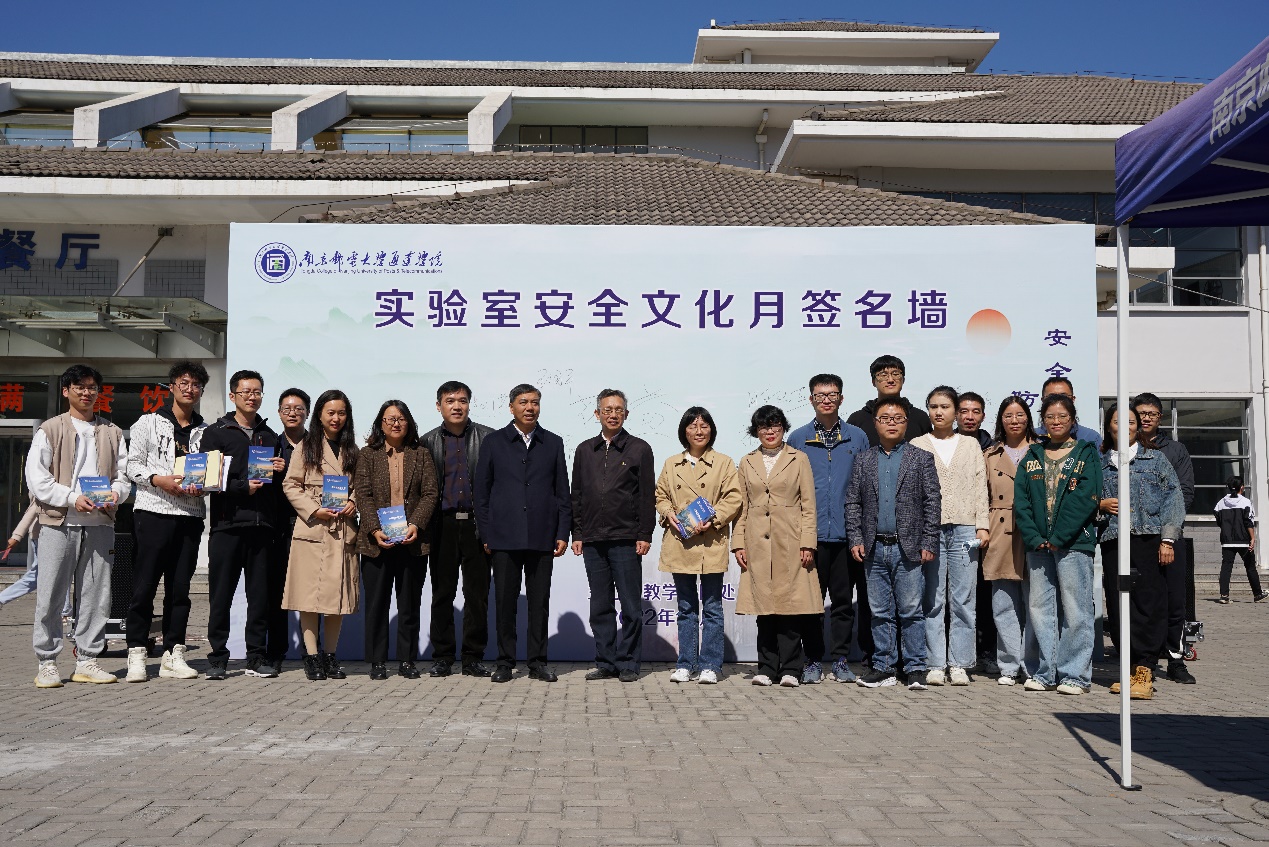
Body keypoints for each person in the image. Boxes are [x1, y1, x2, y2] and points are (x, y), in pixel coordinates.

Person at [25, 363, 130, 688]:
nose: (87, 393)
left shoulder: (112, 431)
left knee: (97, 594)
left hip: (100, 523)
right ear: (66, 391)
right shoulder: (50, 429)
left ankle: (87, 660)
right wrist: (71, 498)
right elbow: (37, 479)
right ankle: (47, 662)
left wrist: (116, 493)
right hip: (59, 522)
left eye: (92, 387)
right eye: (80, 387)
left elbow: (123, 475)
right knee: (51, 594)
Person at [474, 384, 571, 684]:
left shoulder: (553, 442)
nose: (530, 408)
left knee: (539, 603)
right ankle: (504, 662)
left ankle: (538, 662)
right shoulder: (493, 442)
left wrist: (562, 531)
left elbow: (562, 492)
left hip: (542, 535)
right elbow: (482, 493)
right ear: (511, 407)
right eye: (523, 402)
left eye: (535, 402)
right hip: (504, 536)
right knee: (505, 602)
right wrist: (486, 533)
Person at [122, 360, 211, 683]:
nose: (190, 389)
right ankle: (137, 652)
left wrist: (206, 485)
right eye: (184, 383)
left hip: (190, 516)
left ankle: (174, 653)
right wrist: (159, 480)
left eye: (196, 385)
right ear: (171, 387)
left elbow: (212, 473)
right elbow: (132, 466)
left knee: (179, 590)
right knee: (144, 587)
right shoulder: (147, 422)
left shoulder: (206, 431)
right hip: (153, 513)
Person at [846, 399, 941, 691]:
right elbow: (853, 502)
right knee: (879, 612)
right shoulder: (863, 460)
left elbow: (932, 502)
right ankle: (884, 666)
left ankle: (915, 668)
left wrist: (929, 541)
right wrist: (856, 538)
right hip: (874, 547)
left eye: (898, 418)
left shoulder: (921, 458)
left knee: (911, 610)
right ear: (875, 423)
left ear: (906, 423)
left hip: (908, 548)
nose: (891, 423)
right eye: (885, 418)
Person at [200, 370, 287, 681]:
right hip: (227, 526)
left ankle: (256, 656)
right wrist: (241, 487)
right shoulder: (215, 434)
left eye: (257, 392)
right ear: (233, 395)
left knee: (259, 598)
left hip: (262, 528)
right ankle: (217, 659)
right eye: (246, 391)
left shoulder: (271, 436)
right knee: (220, 596)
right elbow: (206, 480)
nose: (252, 396)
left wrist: (280, 469)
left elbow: (277, 488)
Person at [1014, 393, 1102, 695]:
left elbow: (1086, 498)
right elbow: (1021, 501)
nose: (1056, 421)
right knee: (1040, 609)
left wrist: (1059, 537)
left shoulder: (1086, 453)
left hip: (1074, 543)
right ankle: (1045, 673)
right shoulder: (1032, 455)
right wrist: (1035, 537)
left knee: (1076, 610)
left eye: (1062, 416)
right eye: (1050, 416)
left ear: (1073, 420)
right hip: (1038, 546)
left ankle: (1075, 675)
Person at [1098, 403, 1185, 701]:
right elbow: (1088, 498)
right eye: (1118, 421)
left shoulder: (1156, 459)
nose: (1125, 426)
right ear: (1109, 426)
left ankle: (1145, 668)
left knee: (1148, 603)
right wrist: (1100, 505)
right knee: (1118, 604)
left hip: (1148, 540)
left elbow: (1173, 499)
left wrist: (1168, 540)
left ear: (1138, 427)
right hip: (1113, 541)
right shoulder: (1101, 463)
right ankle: (1129, 667)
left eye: (1131, 421)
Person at [788, 373, 870, 683]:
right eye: (820, 395)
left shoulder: (857, 437)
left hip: (848, 535)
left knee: (843, 603)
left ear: (841, 399)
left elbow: (865, 487)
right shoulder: (798, 438)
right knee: (810, 603)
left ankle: (840, 659)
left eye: (832, 394)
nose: (826, 400)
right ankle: (811, 660)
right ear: (811, 399)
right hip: (810, 536)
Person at [572, 389, 655, 683]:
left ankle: (629, 662)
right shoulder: (584, 450)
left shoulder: (639, 449)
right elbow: (577, 494)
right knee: (600, 606)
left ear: (626, 414)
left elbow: (646, 495)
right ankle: (606, 662)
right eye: (607, 410)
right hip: (593, 539)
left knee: (631, 606)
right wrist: (577, 532)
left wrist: (645, 533)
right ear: (597, 414)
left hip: (626, 538)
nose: (613, 414)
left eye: (618, 409)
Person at [733, 405, 819, 688]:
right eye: (763, 427)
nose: (770, 431)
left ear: (783, 428)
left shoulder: (799, 458)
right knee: (765, 608)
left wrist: (808, 542)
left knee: (790, 608)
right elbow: (742, 507)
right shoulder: (747, 462)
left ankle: (792, 669)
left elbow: (809, 505)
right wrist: (738, 543)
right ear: (756, 431)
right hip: (757, 543)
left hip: (790, 541)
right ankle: (767, 668)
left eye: (775, 426)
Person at [655, 407, 742, 685]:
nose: (699, 431)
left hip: (710, 541)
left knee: (713, 608)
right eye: (692, 426)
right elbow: (660, 495)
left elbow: (733, 497)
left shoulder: (724, 463)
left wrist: (713, 519)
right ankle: (686, 663)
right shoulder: (672, 463)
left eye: (704, 425)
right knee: (686, 607)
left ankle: (711, 665)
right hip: (680, 541)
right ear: (684, 431)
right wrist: (667, 512)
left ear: (711, 430)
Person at [910, 386, 990, 687]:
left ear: (956, 412)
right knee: (932, 599)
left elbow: (981, 487)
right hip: (930, 529)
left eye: (945, 406)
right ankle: (934, 663)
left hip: (965, 528)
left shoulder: (970, 445)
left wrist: (982, 524)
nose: (939, 412)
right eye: (934, 406)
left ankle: (959, 663)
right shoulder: (917, 444)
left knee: (964, 598)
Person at [353, 400, 438, 680]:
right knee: (377, 606)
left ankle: (407, 660)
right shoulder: (368, 454)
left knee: (409, 605)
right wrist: (374, 529)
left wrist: (416, 524)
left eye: (401, 418)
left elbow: (430, 493)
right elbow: (363, 494)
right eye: (390, 419)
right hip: (377, 542)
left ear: (409, 422)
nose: (396, 423)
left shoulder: (421, 454)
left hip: (413, 541)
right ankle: (377, 662)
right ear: (381, 424)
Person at [283, 389, 360, 681]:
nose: (336, 418)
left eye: (341, 413)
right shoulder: (306, 446)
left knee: (336, 598)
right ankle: (312, 657)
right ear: (319, 415)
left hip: (342, 530)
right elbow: (291, 484)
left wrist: (354, 502)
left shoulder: (353, 449)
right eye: (331, 412)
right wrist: (315, 510)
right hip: (314, 529)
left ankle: (331, 655)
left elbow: (361, 487)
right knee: (309, 597)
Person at [421, 381, 494, 678]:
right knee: (442, 593)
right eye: (450, 400)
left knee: (477, 594)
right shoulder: (427, 442)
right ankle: (442, 656)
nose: (456, 406)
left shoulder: (488, 438)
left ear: (469, 404)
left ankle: (473, 657)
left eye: (462, 400)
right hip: (442, 525)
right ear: (438, 405)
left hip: (477, 524)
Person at [1132, 392, 1197, 684]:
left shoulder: (1175, 450)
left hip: (1169, 537)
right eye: (1141, 413)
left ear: (1160, 418)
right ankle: (1141, 660)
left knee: (1174, 600)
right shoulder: (1125, 450)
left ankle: (1175, 660)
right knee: (1142, 600)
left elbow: (1184, 493)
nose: (1146, 418)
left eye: (1152, 414)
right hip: (1138, 540)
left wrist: (1166, 530)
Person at [982, 396, 1039, 685]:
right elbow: (981, 496)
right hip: (1000, 528)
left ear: (1028, 417)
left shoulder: (1042, 450)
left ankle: (1032, 665)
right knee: (1003, 602)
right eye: (1008, 415)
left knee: (1035, 602)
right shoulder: (990, 454)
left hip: (1034, 529)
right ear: (1000, 420)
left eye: (1019, 415)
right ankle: (1008, 664)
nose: (1014, 420)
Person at [269, 387, 310, 672]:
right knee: (276, 591)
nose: (292, 413)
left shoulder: (318, 445)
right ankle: (275, 652)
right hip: (277, 527)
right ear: (279, 412)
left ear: (307, 413)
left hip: (310, 526)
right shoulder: (270, 444)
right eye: (287, 409)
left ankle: (312, 652)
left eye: (298, 409)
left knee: (309, 591)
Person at [956, 390, 997, 673]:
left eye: (976, 412)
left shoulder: (993, 448)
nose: (969, 417)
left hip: (987, 528)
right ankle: (956, 652)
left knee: (985, 591)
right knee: (956, 593)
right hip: (955, 527)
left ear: (983, 415)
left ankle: (986, 651)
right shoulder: (946, 444)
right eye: (964, 411)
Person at [846, 355, 933, 447]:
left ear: (903, 379)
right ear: (873, 382)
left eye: (896, 374)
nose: (890, 380)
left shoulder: (920, 418)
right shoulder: (857, 420)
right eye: (883, 375)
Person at [1214, 477, 1265, 603]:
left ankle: (1224, 596)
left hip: (1227, 541)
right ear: (1241, 487)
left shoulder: (1221, 502)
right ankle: (1258, 594)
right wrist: (1252, 538)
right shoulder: (1245, 502)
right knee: (1250, 567)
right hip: (1243, 540)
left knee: (1226, 567)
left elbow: (1218, 519)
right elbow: (1248, 522)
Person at [1034, 377, 1102, 448]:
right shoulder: (1032, 437)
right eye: (1052, 397)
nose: (1058, 401)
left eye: (1064, 396)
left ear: (1073, 399)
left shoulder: (1091, 437)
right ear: (1043, 400)